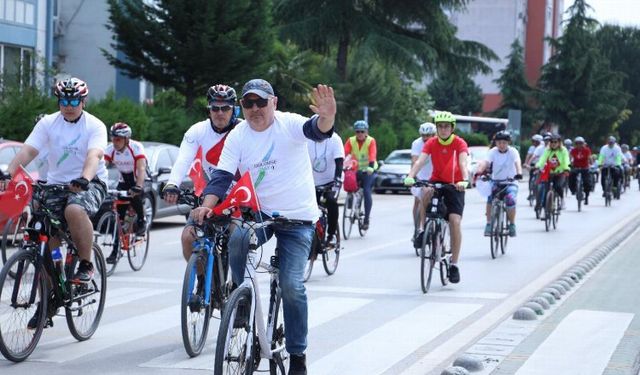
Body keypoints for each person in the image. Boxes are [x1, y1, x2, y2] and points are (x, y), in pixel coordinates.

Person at [191, 78, 336, 375]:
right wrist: (207, 205)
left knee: (292, 286)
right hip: (259, 213)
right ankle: (241, 298)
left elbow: (317, 130)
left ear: (274, 103)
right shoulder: (238, 135)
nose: (255, 108)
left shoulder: (290, 124)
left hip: (298, 219)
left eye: (261, 102)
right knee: (237, 236)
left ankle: (298, 355)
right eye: (248, 103)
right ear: (241, 108)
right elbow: (221, 177)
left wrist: (327, 117)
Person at [0, 77, 107, 287]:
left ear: (83, 102)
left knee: (74, 210)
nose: (68, 107)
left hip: (90, 182)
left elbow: (94, 155)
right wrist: (8, 172)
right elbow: (28, 150)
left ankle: (86, 263)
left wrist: (85, 178)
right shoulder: (48, 122)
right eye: (64, 102)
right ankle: (49, 294)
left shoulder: (95, 125)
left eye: (74, 101)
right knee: (42, 228)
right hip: (55, 184)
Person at [162, 84, 241, 262]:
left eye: (225, 108)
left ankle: (238, 285)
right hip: (208, 198)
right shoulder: (197, 130)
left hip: (237, 198)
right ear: (209, 110)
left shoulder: (243, 130)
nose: (220, 113)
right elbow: (183, 159)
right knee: (188, 238)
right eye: (215, 108)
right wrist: (172, 184)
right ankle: (201, 282)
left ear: (234, 109)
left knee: (238, 239)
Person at [404, 111, 469, 284]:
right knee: (425, 192)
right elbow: (419, 161)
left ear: (452, 128)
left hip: (455, 184)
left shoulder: (459, 143)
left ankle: (454, 264)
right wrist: (411, 176)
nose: (443, 129)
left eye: (446, 126)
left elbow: (463, 163)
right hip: (437, 181)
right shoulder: (432, 143)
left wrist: (465, 180)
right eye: (440, 126)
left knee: (454, 221)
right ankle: (422, 229)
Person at [103, 123, 148, 261]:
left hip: (137, 178)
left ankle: (141, 221)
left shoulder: (136, 147)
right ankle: (115, 250)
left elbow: (141, 169)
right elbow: (101, 166)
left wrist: (138, 186)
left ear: (126, 139)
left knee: (134, 196)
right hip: (123, 180)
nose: (115, 142)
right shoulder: (110, 149)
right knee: (119, 216)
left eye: (118, 139)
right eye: (113, 139)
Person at [477, 131, 522, 237]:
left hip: (511, 182)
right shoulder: (493, 151)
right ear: (496, 143)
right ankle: (488, 224)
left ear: (508, 143)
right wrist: (479, 171)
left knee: (510, 200)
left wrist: (519, 173)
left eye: (504, 143)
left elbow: (517, 163)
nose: (501, 145)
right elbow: (486, 162)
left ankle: (512, 224)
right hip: (496, 182)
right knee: (490, 198)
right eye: (499, 142)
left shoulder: (513, 151)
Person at [307, 131, 344, 248]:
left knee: (331, 201)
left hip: (332, 181)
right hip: (313, 181)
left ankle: (331, 234)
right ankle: (311, 236)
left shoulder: (335, 140)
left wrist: (337, 181)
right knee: (309, 206)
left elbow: (339, 163)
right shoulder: (308, 140)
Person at [343, 120, 377, 230]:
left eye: (362, 131)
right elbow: (345, 153)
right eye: (358, 131)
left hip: (368, 170)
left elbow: (372, 155)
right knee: (349, 184)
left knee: (366, 191)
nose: (360, 134)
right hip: (355, 169)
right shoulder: (351, 140)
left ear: (366, 131)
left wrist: (371, 167)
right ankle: (350, 203)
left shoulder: (371, 141)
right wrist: (343, 164)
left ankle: (366, 219)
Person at [410, 122, 436, 247]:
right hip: (421, 175)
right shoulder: (416, 143)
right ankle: (418, 228)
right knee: (418, 201)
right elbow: (415, 161)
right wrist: (412, 176)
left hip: (435, 176)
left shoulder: (438, 142)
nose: (426, 138)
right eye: (424, 136)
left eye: (429, 135)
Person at [535, 134, 570, 211]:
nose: (553, 144)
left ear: (559, 142)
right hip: (549, 173)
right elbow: (543, 159)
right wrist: (537, 166)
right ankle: (546, 209)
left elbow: (566, 159)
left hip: (560, 173)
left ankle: (562, 200)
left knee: (558, 186)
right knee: (546, 190)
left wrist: (566, 168)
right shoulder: (548, 150)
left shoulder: (563, 150)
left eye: (555, 142)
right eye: (552, 142)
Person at [568, 136, 592, 205]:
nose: (579, 145)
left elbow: (589, 157)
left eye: (580, 143)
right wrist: (569, 163)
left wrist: (590, 162)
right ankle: (573, 190)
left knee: (587, 182)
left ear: (583, 143)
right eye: (577, 143)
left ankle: (586, 196)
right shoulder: (573, 150)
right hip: (576, 167)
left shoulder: (587, 150)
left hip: (585, 168)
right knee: (571, 176)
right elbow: (570, 158)